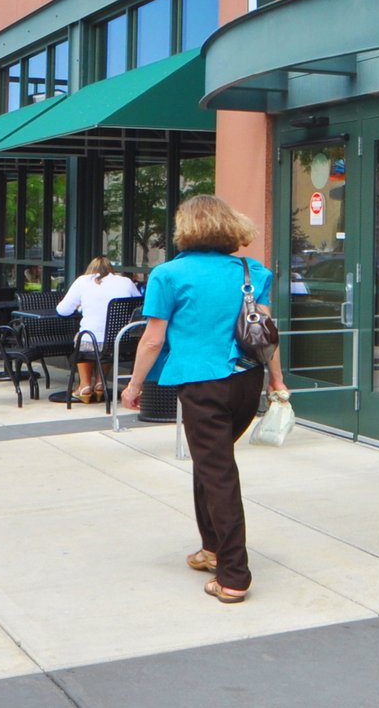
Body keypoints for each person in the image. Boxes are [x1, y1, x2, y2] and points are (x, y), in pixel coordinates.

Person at [121, 196, 288, 604]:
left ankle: (234, 576)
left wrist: (133, 386)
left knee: (218, 473)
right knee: (211, 463)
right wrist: (276, 382)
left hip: (201, 384)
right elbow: (265, 332)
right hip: (246, 380)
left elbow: (153, 338)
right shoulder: (252, 270)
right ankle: (211, 549)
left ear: (186, 228)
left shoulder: (168, 274)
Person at [53, 255, 139, 403]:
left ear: (90, 270)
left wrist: (81, 307)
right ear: (111, 269)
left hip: (90, 341)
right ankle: (100, 383)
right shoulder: (126, 282)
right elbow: (138, 305)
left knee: (82, 339)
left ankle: (85, 386)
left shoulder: (83, 281)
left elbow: (62, 310)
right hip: (119, 342)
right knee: (106, 343)